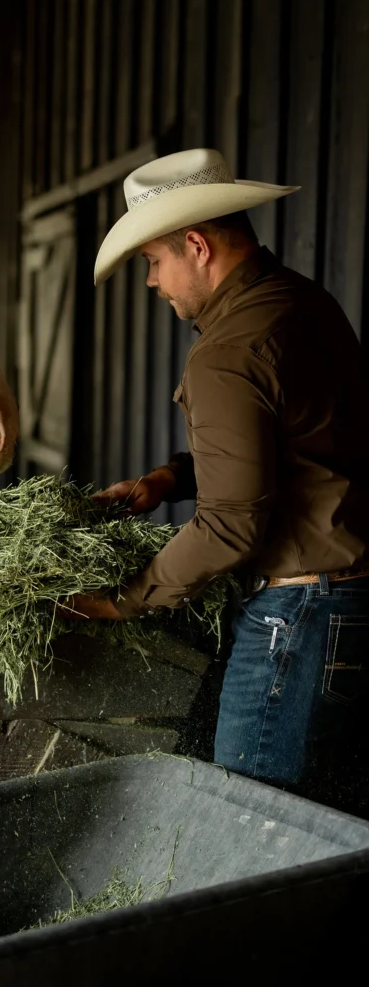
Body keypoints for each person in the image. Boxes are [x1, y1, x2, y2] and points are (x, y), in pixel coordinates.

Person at [62, 148, 369, 802]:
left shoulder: (227, 352)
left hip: (300, 613)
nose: (151, 282)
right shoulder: (302, 304)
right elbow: (294, 447)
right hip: (350, 599)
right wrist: (167, 480)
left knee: (250, 819)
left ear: (195, 245)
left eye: (152, 262)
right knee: (328, 817)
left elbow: (230, 525)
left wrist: (123, 600)